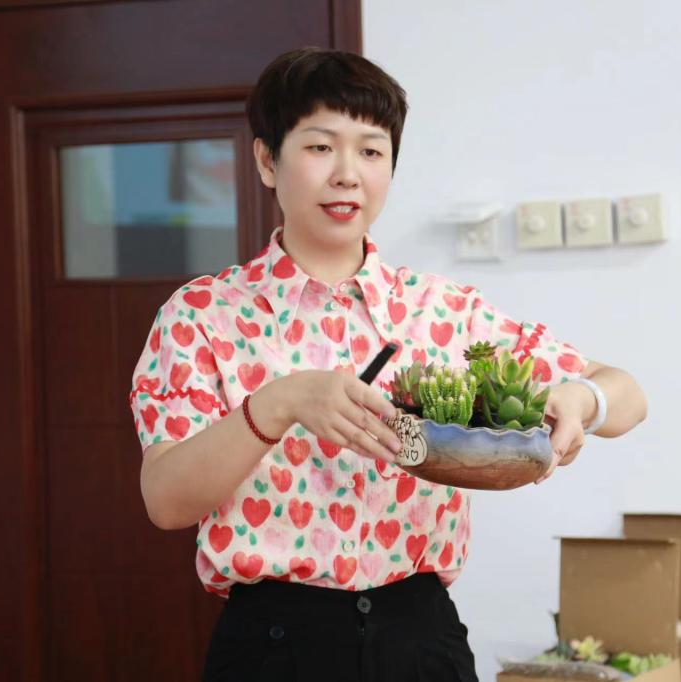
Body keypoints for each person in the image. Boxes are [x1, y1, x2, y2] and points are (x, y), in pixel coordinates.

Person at [129, 47, 647, 682]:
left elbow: (626, 394)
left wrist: (584, 400)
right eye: (320, 147)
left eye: (371, 152)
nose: (348, 174)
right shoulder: (202, 314)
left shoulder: (443, 311)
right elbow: (166, 500)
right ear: (267, 160)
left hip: (421, 639)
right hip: (272, 645)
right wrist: (279, 403)